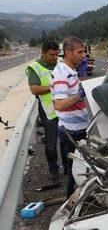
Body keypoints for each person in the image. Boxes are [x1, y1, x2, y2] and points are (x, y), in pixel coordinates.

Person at [51, 36, 91, 197]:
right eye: (80, 52)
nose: (83, 55)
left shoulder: (70, 70)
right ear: (68, 53)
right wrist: (80, 95)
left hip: (79, 127)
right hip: (71, 131)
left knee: (81, 168)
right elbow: (59, 104)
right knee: (75, 171)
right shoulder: (61, 74)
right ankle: (70, 205)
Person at [26, 40, 60, 180]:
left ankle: (69, 168)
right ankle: (54, 170)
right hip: (48, 110)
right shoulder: (35, 67)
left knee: (66, 140)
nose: (55, 58)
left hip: (64, 107)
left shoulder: (60, 63)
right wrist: (55, 86)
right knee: (51, 142)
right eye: (52, 55)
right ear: (43, 53)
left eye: (57, 54)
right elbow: (34, 89)